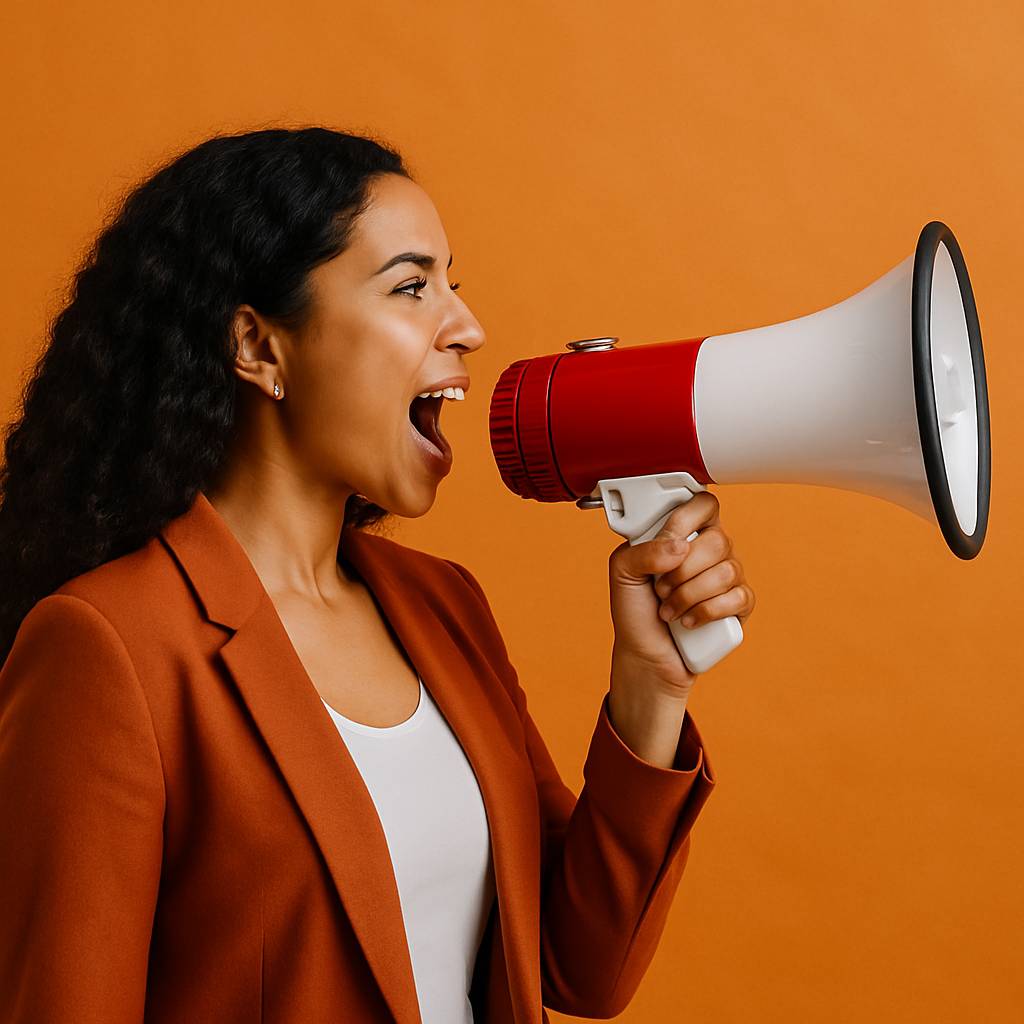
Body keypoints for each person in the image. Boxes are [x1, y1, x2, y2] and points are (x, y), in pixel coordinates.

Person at [0, 126, 755, 1023]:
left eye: (453, 284)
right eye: (410, 287)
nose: (468, 327)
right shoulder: (108, 647)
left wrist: (650, 684)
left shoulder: (444, 607)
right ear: (258, 347)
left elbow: (577, 966)